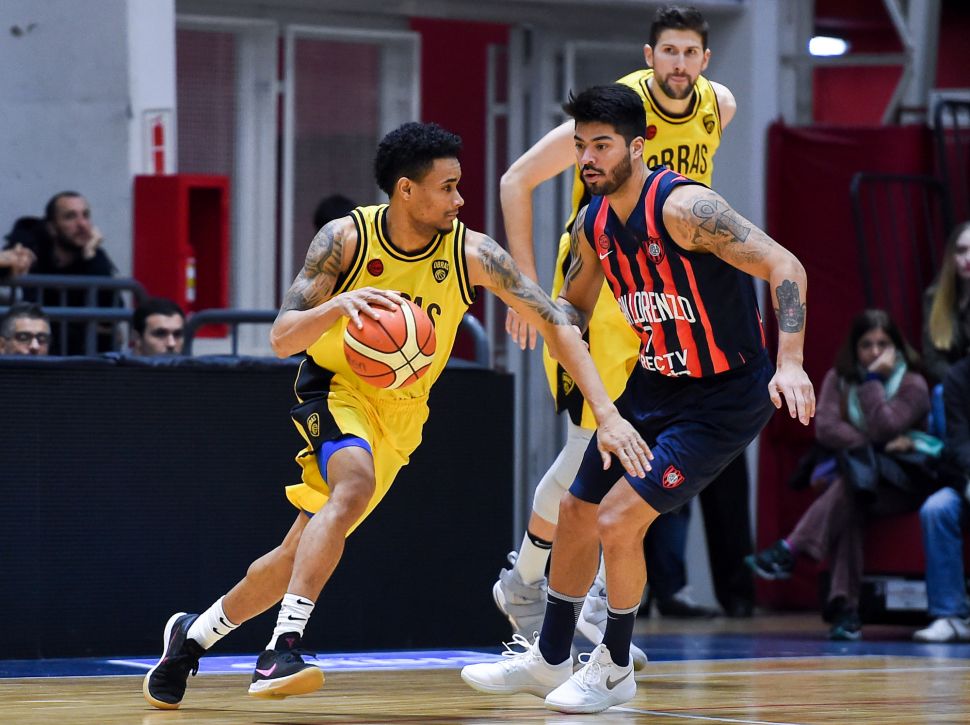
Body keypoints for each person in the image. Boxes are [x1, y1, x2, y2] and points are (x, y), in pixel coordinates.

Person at [142, 121, 651, 710]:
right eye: (448, 187)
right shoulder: (345, 240)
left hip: (403, 414)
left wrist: (606, 413)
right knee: (352, 485)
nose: (460, 200)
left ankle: (191, 637)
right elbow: (282, 338)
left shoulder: (473, 252)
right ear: (406, 190)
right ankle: (283, 648)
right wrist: (338, 305)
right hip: (334, 391)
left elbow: (559, 326)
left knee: (294, 555)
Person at [461, 84, 814, 714]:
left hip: (724, 394)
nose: (587, 158)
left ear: (637, 147)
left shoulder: (687, 208)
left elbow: (787, 266)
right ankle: (549, 658)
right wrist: (543, 311)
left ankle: (615, 666)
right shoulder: (594, 223)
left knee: (619, 519)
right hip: (655, 383)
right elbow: (575, 304)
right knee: (576, 509)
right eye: (580, 146)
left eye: (601, 145)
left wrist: (790, 362)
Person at [494, 3, 742, 647]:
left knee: (641, 448)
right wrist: (525, 293)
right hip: (601, 282)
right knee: (596, 444)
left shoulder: (719, 106)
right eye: (669, 52)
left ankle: (570, 600)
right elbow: (516, 179)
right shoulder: (618, 112)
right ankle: (539, 585)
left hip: (667, 289)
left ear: (706, 59)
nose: (680, 64)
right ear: (649, 56)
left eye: (690, 52)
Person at [747, 309, 935, 641]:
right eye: (867, 344)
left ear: (896, 347)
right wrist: (877, 445)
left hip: (901, 484)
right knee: (853, 498)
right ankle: (846, 612)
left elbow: (885, 425)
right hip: (859, 482)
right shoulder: (840, 378)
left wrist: (873, 382)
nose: (875, 352)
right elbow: (827, 428)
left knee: (851, 488)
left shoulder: (913, 384)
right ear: (854, 347)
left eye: (883, 344)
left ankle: (790, 550)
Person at [5, 192, 118, 354]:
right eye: (70, 217)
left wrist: (90, 260)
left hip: (78, 354)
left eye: (86, 215)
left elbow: (111, 312)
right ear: (52, 228)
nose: (82, 224)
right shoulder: (31, 249)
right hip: (33, 350)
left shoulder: (95, 258)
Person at [914, 355, 970, 642]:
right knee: (936, 509)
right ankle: (950, 615)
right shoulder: (958, 377)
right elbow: (958, 441)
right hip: (965, 479)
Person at [923, 221, 970, 385]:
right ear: (951, 257)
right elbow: (932, 360)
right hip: (954, 385)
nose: (968, 259)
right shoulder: (934, 298)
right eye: (961, 251)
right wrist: (960, 381)